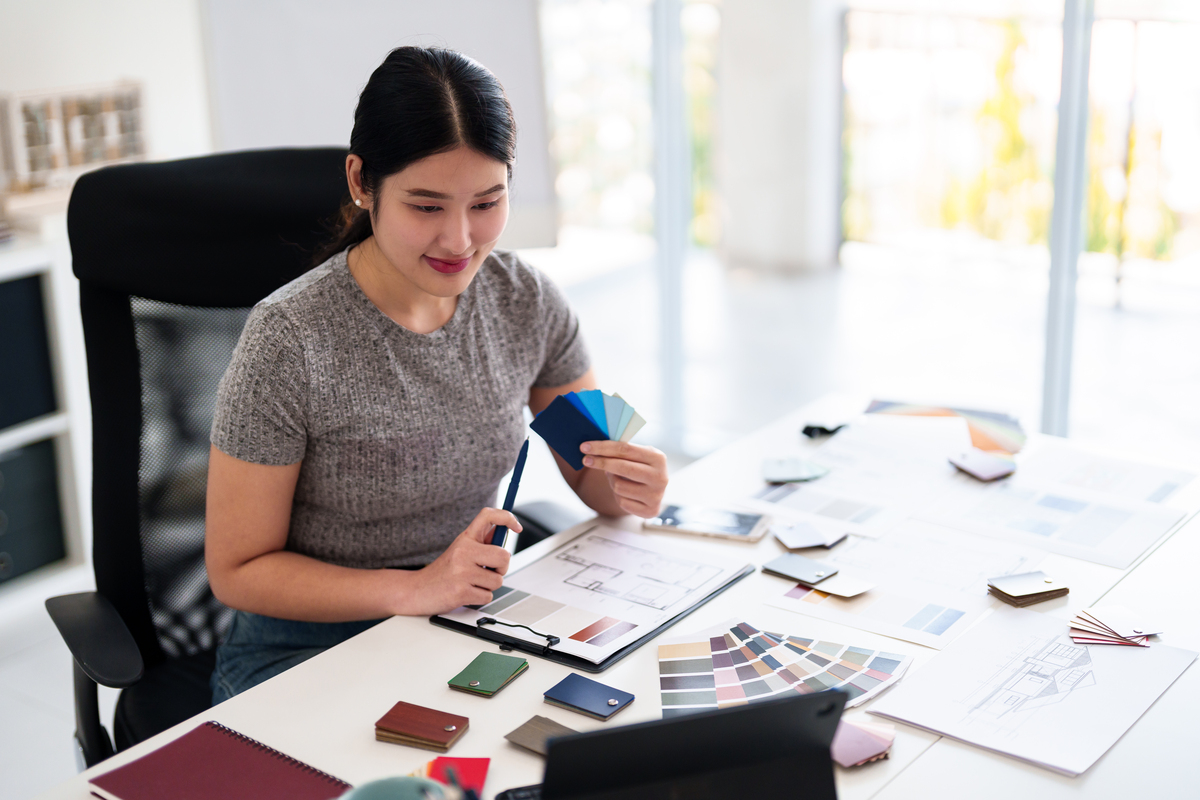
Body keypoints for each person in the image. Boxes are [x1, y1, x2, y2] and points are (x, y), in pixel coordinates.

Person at [204, 46, 669, 704]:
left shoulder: (525, 300)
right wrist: (415, 590)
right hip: (306, 649)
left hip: (467, 616)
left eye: (486, 202)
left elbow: (589, 467)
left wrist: (631, 483)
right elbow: (237, 570)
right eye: (426, 207)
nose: (459, 240)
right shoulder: (289, 340)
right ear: (362, 182)